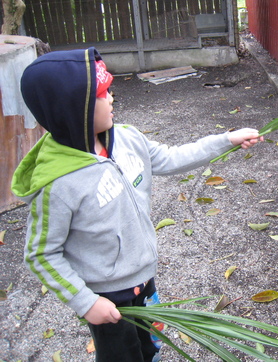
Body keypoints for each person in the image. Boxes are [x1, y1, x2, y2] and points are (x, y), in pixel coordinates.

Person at [11, 47, 263, 362]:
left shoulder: (128, 139)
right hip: (108, 298)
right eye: (103, 94)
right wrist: (86, 303)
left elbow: (172, 157)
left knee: (151, 346)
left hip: (144, 279)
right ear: (75, 109)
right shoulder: (58, 185)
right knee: (121, 356)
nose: (113, 98)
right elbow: (41, 254)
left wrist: (226, 140)